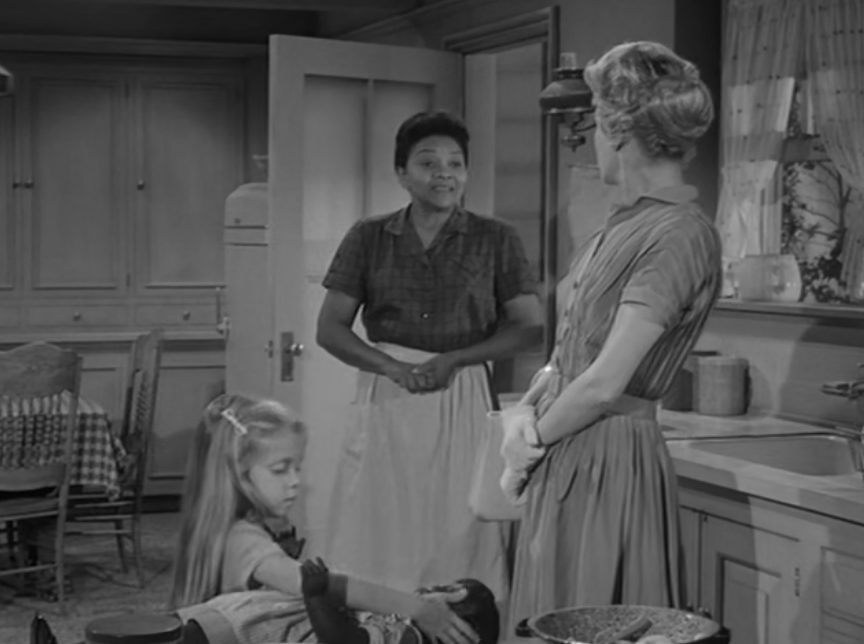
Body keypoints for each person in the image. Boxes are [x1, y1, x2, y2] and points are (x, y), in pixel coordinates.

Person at [502, 41, 722, 633]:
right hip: (568, 444)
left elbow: (603, 383)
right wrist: (527, 409)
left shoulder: (679, 233)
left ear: (615, 131)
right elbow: (573, 350)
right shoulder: (624, 221)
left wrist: (529, 445)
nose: (591, 140)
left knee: (593, 615)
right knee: (553, 614)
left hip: (609, 460)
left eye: (594, 122)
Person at [317, 111, 543, 601]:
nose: (444, 174)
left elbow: (530, 328)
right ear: (402, 173)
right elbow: (329, 328)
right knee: (377, 517)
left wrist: (456, 358)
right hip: (388, 396)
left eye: (455, 164)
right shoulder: (369, 236)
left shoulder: (495, 238)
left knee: (459, 522)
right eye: (428, 163)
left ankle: (461, 617)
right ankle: (376, 620)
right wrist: (392, 367)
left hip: (463, 395)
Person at [169, 394, 479, 644]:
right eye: (280, 470)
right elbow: (318, 586)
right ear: (238, 474)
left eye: (297, 468)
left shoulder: (238, 530)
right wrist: (418, 608)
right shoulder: (242, 540)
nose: (295, 481)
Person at [300, 557, 500, 644]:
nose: (435, 588)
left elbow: (343, 642)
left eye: (448, 592)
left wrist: (315, 595)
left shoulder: (406, 636)